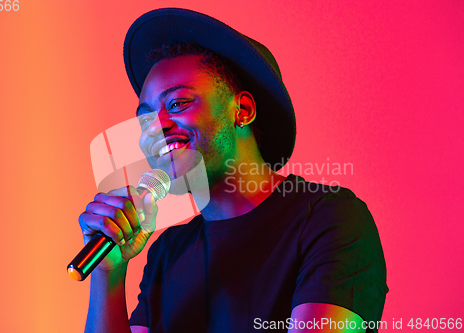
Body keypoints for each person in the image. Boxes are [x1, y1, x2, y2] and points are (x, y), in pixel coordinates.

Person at [78, 8, 388, 333]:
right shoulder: (167, 252)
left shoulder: (328, 218)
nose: (157, 128)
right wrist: (108, 273)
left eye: (178, 104)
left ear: (242, 111)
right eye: (145, 119)